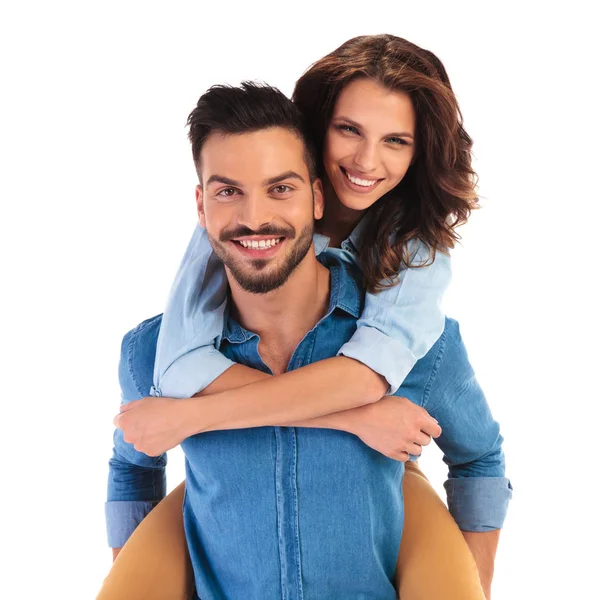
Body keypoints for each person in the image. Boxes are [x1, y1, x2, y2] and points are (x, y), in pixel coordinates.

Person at [100, 80, 511, 600]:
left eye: (281, 188)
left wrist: (474, 583)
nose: (254, 219)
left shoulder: (416, 344)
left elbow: (478, 460)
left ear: (318, 197)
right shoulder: (150, 353)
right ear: (201, 206)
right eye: (229, 191)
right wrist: (131, 574)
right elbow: (132, 467)